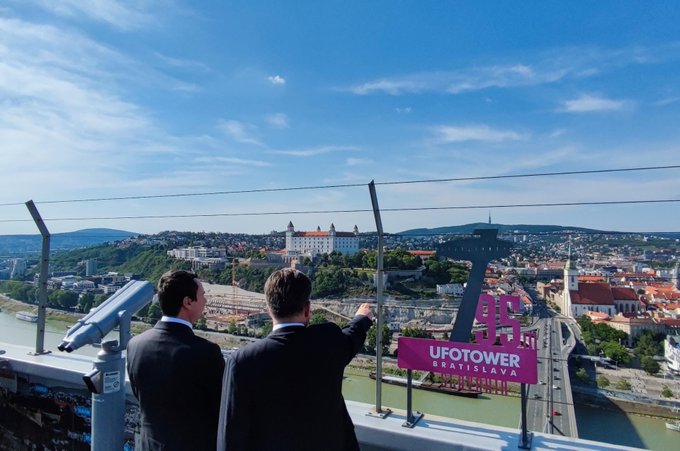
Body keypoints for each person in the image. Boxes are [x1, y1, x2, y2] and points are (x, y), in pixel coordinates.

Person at [218, 268, 373, 451]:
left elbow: (231, 436)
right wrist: (362, 318)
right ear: (307, 309)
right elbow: (351, 336)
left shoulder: (243, 361)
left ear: (269, 309)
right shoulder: (329, 340)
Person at [127, 270, 225, 451]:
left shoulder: (135, 345)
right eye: (202, 295)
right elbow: (222, 409)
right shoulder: (206, 352)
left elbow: (139, 395)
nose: (205, 301)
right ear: (188, 302)